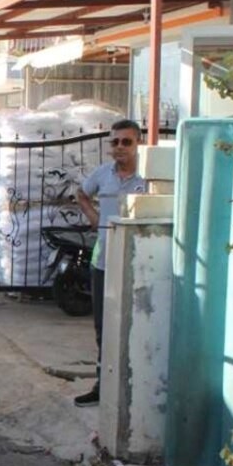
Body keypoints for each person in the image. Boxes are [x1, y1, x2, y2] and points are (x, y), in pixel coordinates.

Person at [73, 119, 145, 408]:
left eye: (126, 142)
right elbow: (80, 193)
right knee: (104, 327)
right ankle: (103, 385)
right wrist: (94, 218)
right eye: (114, 142)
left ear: (137, 143)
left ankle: (133, 385)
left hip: (137, 262)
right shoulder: (102, 175)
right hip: (103, 260)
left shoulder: (148, 177)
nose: (119, 148)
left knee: (135, 323)